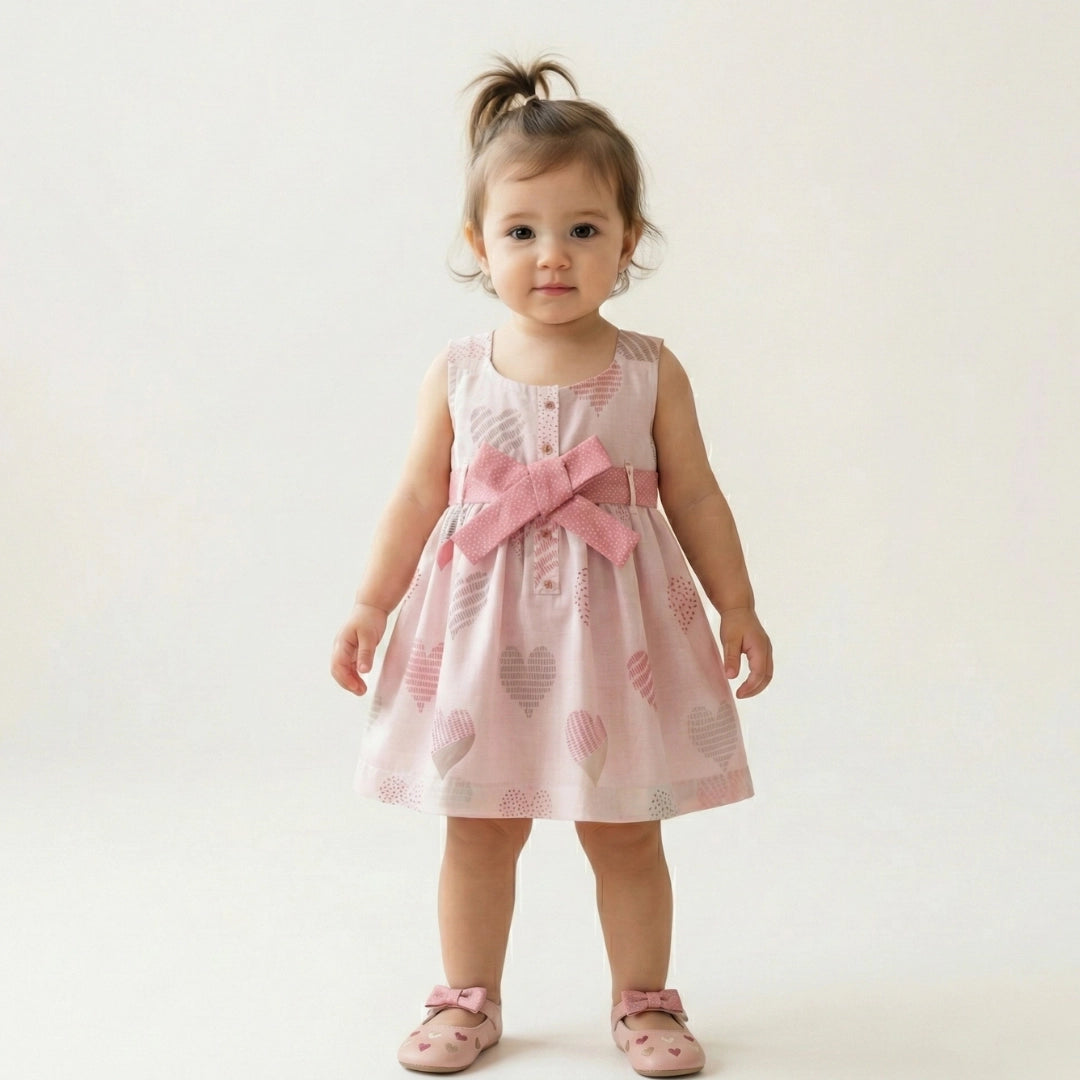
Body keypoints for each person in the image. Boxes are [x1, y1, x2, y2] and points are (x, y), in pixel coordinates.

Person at [330, 54, 772, 1077]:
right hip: (485, 636)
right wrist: (369, 602)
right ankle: (467, 999)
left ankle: (645, 1002)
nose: (554, 255)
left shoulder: (648, 369)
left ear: (627, 244)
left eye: (585, 229)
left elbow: (696, 493)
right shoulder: (457, 370)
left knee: (624, 829)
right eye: (523, 231)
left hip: (613, 639)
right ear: (479, 244)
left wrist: (736, 603)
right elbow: (415, 496)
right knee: (478, 827)